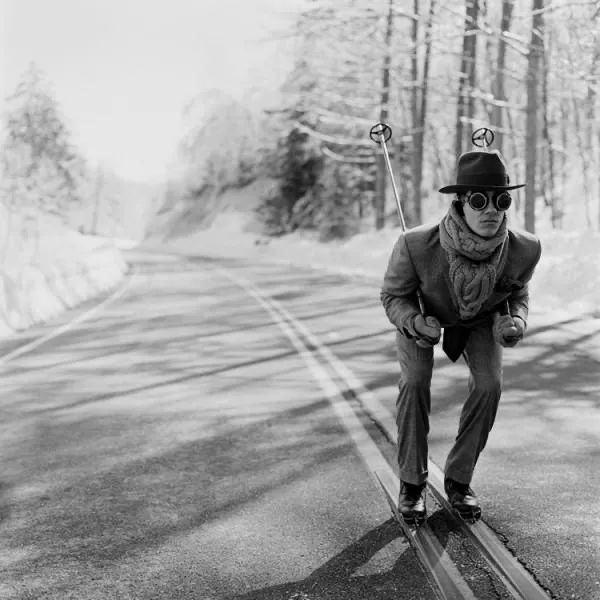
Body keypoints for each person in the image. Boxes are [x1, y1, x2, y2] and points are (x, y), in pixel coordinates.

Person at [380, 149, 541, 524]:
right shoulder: (415, 245)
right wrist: (413, 321)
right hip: (424, 317)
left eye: (501, 200)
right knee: (415, 380)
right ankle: (412, 483)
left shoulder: (525, 248)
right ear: (461, 203)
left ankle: (459, 479)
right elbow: (392, 296)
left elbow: (518, 294)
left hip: (481, 321)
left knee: (489, 385)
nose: (491, 210)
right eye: (479, 200)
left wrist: (516, 321)